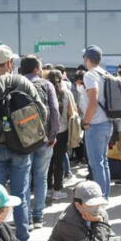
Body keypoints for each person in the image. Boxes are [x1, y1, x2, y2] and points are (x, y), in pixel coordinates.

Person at [0, 45, 47, 241]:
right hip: (22, 149)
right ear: (9, 63)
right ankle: (23, 240)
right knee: (20, 195)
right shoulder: (23, 82)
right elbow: (42, 111)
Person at [19, 55, 60, 228]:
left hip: (23, 140)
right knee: (41, 177)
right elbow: (55, 111)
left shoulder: (17, 83)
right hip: (44, 138)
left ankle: (26, 217)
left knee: (24, 178)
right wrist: (53, 135)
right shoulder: (46, 84)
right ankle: (38, 217)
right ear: (36, 69)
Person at [81, 45, 113, 198]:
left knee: (96, 164)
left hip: (95, 124)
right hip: (108, 122)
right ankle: (105, 195)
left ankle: (100, 199)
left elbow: (93, 101)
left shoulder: (90, 75)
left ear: (87, 59)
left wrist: (86, 121)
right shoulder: (105, 73)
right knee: (103, 162)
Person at [47, 69, 75, 204]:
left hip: (47, 133)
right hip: (62, 131)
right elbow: (71, 113)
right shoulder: (66, 93)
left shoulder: (45, 91)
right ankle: (57, 190)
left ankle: (47, 189)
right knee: (59, 162)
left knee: (47, 162)